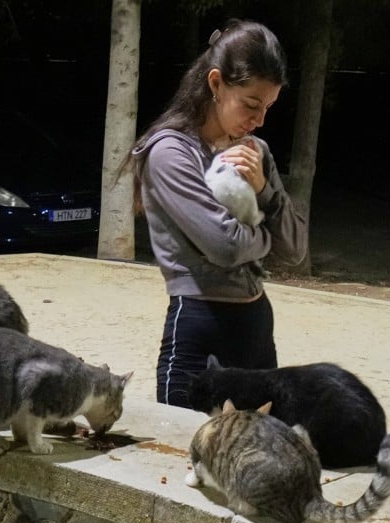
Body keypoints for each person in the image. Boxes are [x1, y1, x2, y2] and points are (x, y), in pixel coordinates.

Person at [129, 19, 308, 409]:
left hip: (258, 326)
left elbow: (295, 249)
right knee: (187, 459)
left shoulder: (254, 152)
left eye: (269, 107)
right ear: (215, 84)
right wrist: (264, 238)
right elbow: (225, 246)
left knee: (260, 462)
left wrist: (263, 189)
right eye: (251, 104)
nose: (259, 120)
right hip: (198, 328)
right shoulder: (170, 153)